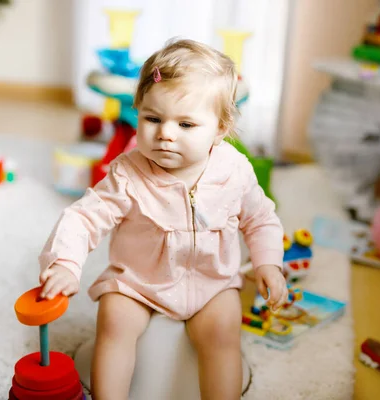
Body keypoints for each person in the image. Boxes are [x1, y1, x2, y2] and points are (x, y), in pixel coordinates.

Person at [38, 38, 287, 400]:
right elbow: (83, 218)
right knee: (115, 320)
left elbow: (261, 219)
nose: (165, 134)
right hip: (139, 283)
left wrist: (269, 264)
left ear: (220, 129)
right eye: (152, 119)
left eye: (186, 125)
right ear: (137, 111)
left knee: (223, 331)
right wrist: (65, 262)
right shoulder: (128, 173)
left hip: (211, 284)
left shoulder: (234, 171)